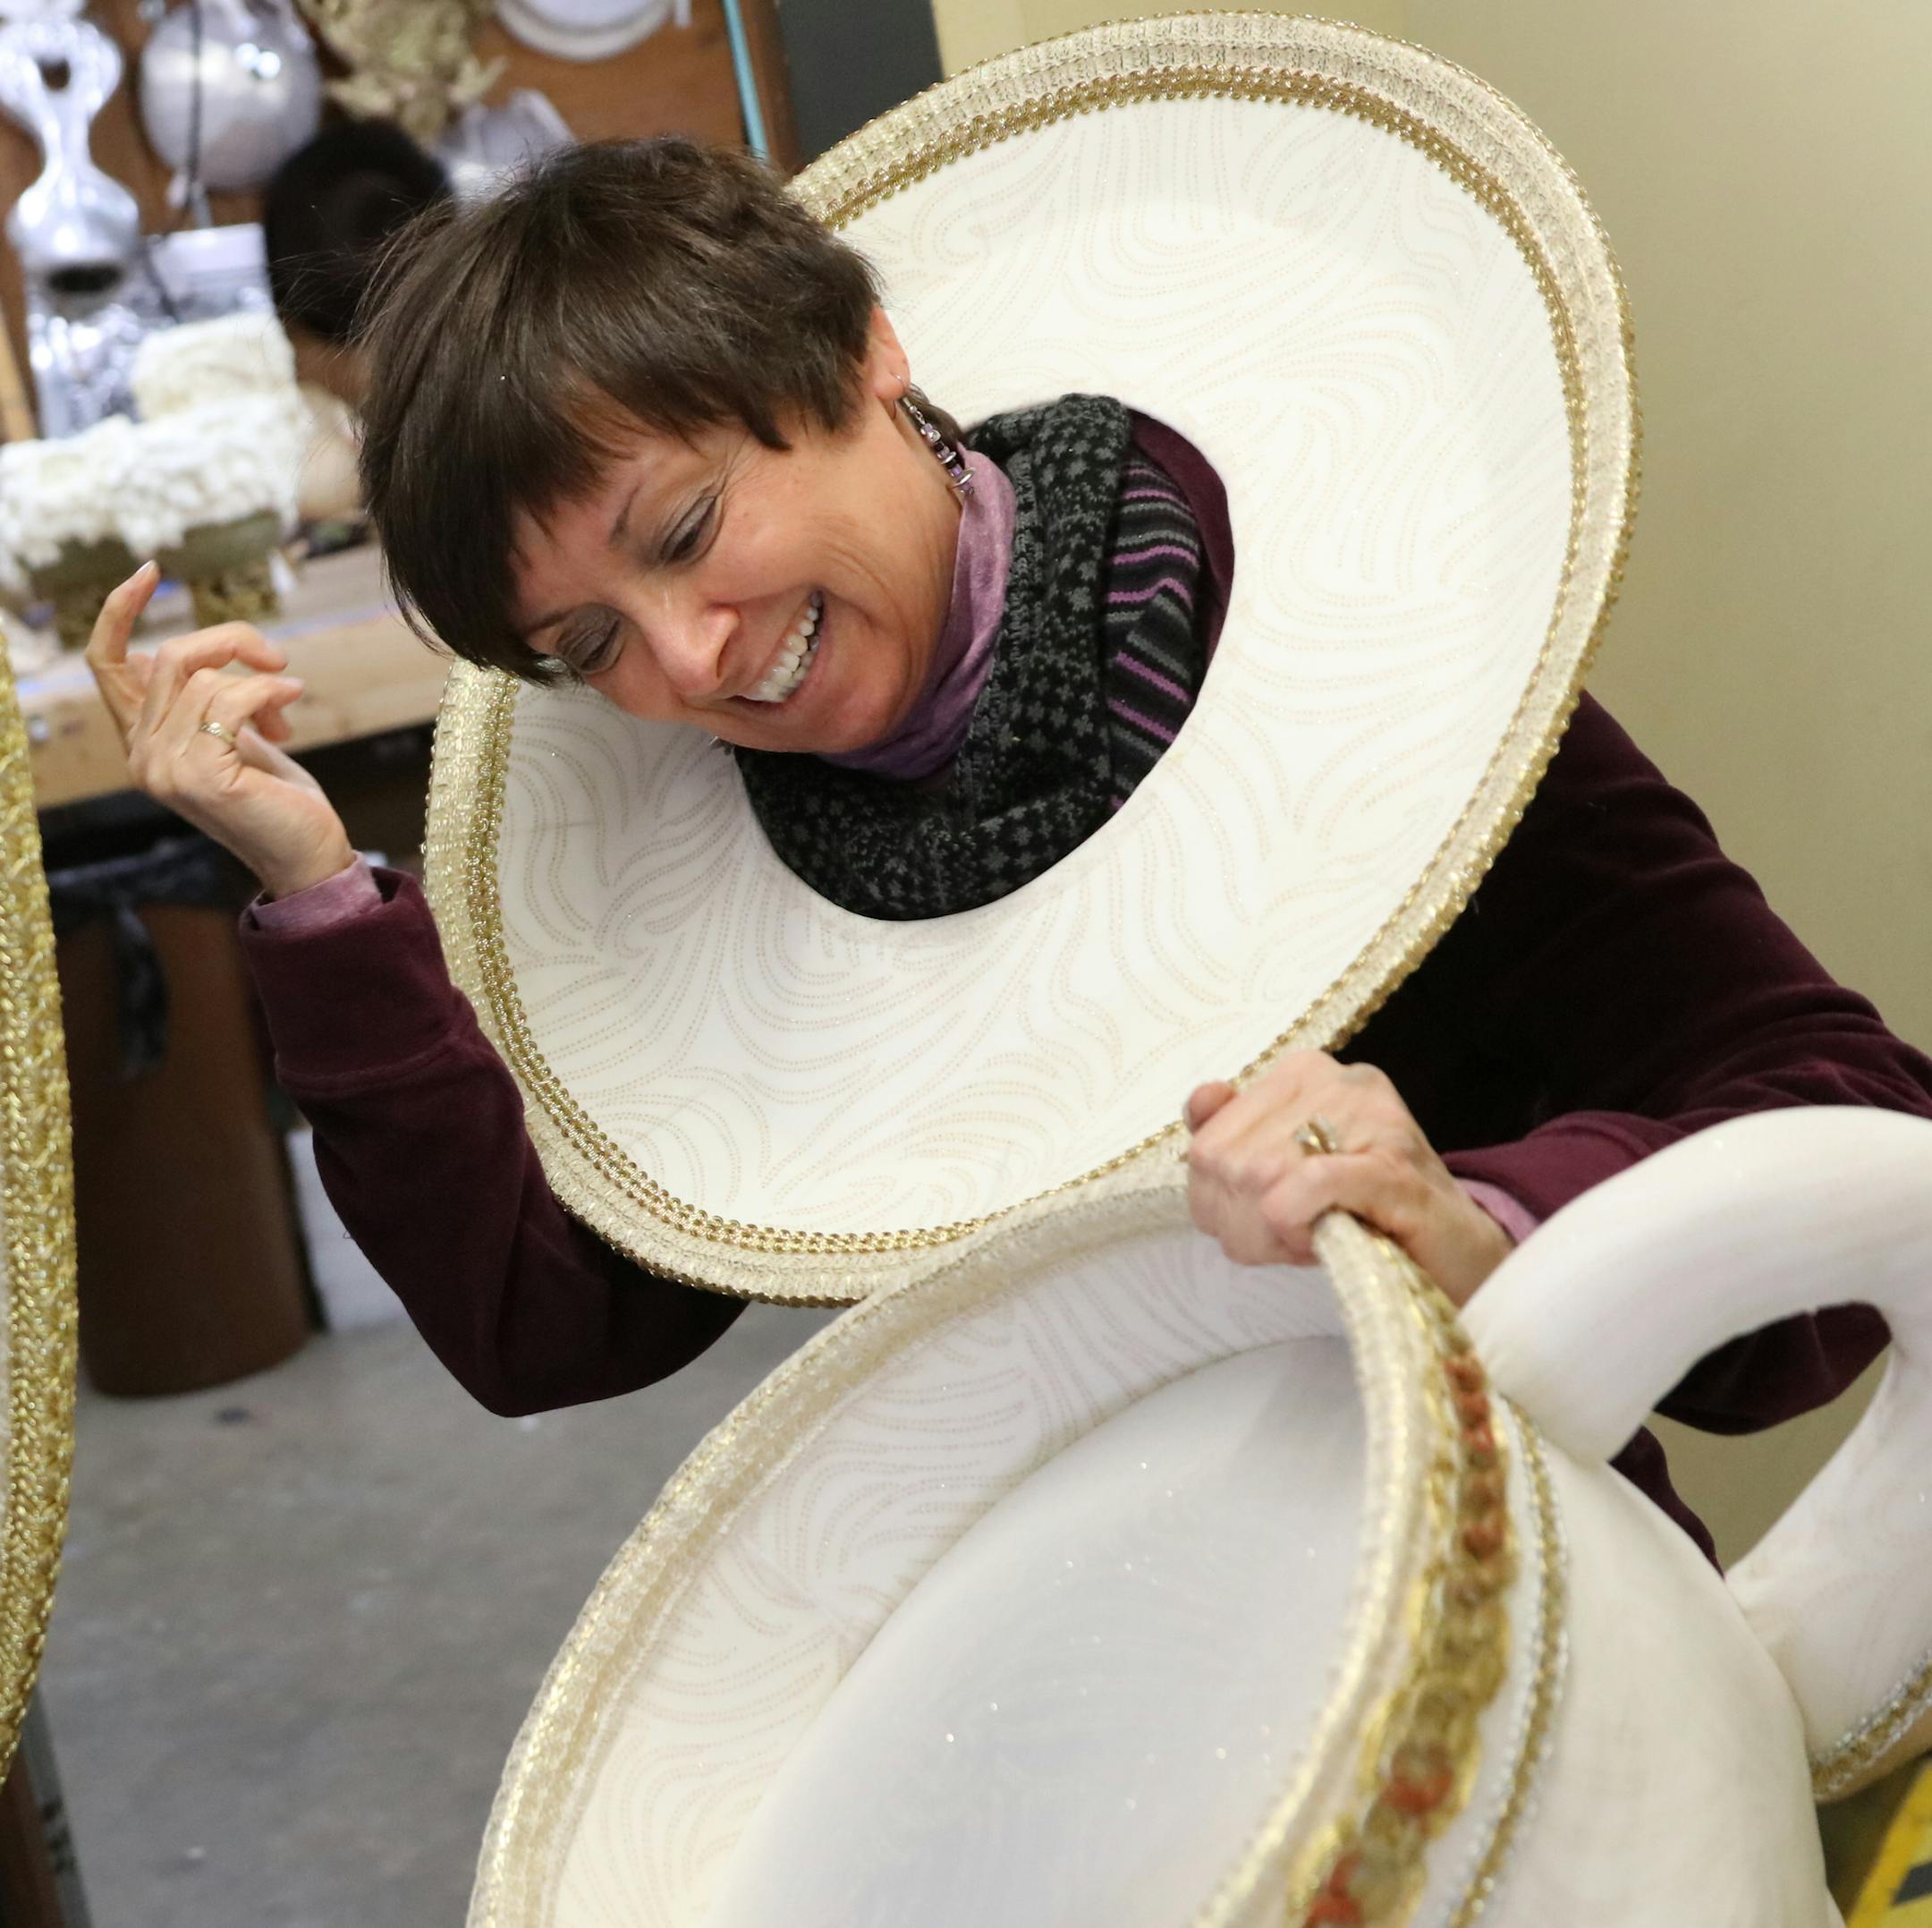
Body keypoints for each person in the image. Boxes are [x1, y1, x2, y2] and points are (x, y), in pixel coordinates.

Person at [85, 138, 1932, 1564]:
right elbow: (537, 1323)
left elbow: (1852, 1123)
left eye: (688, 530)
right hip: (1071, 1662)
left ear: (862, 355)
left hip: (1507, 1620)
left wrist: (1476, 1219)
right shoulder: (726, 853)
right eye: (588, 646)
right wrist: (314, 885)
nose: (692, 663)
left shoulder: (1340, 636)